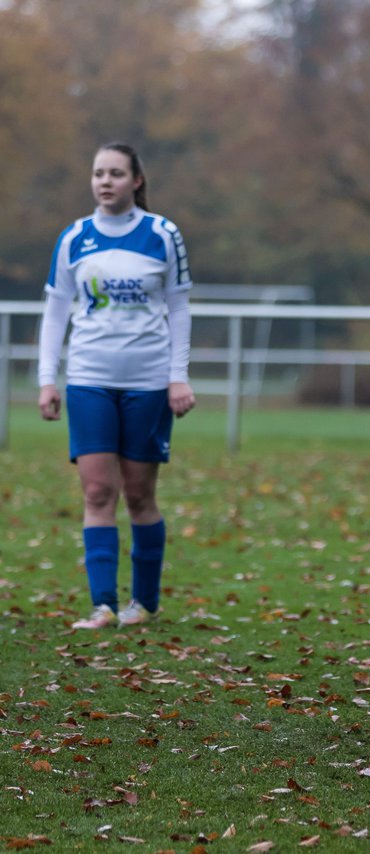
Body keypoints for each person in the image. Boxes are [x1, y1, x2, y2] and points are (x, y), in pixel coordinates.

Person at [38, 142, 196, 630]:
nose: (105, 181)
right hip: (88, 381)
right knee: (97, 491)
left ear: (136, 181)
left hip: (148, 384)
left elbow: (179, 308)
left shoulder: (162, 234)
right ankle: (103, 605)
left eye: (115, 173)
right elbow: (56, 312)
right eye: (98, 173)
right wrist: (48, 379)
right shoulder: (74, 238)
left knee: (139, 495)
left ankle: (143, 604)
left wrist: (178, 375)